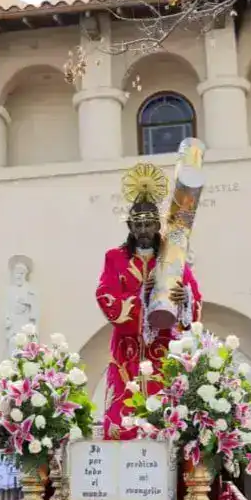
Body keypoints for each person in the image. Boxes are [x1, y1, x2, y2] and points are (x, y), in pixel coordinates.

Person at [95, 162, 202, 439]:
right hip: (127, 351)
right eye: (138, 224)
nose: (143, 230)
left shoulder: (171, 257)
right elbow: (106, 296)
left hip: (162, 350)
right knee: (123, 419)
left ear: (158, 225)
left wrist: (184, 299)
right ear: (130, 226)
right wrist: (141, 295)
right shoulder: (114, 258)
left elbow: (193, 294)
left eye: (149, 224)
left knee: (164, 419)